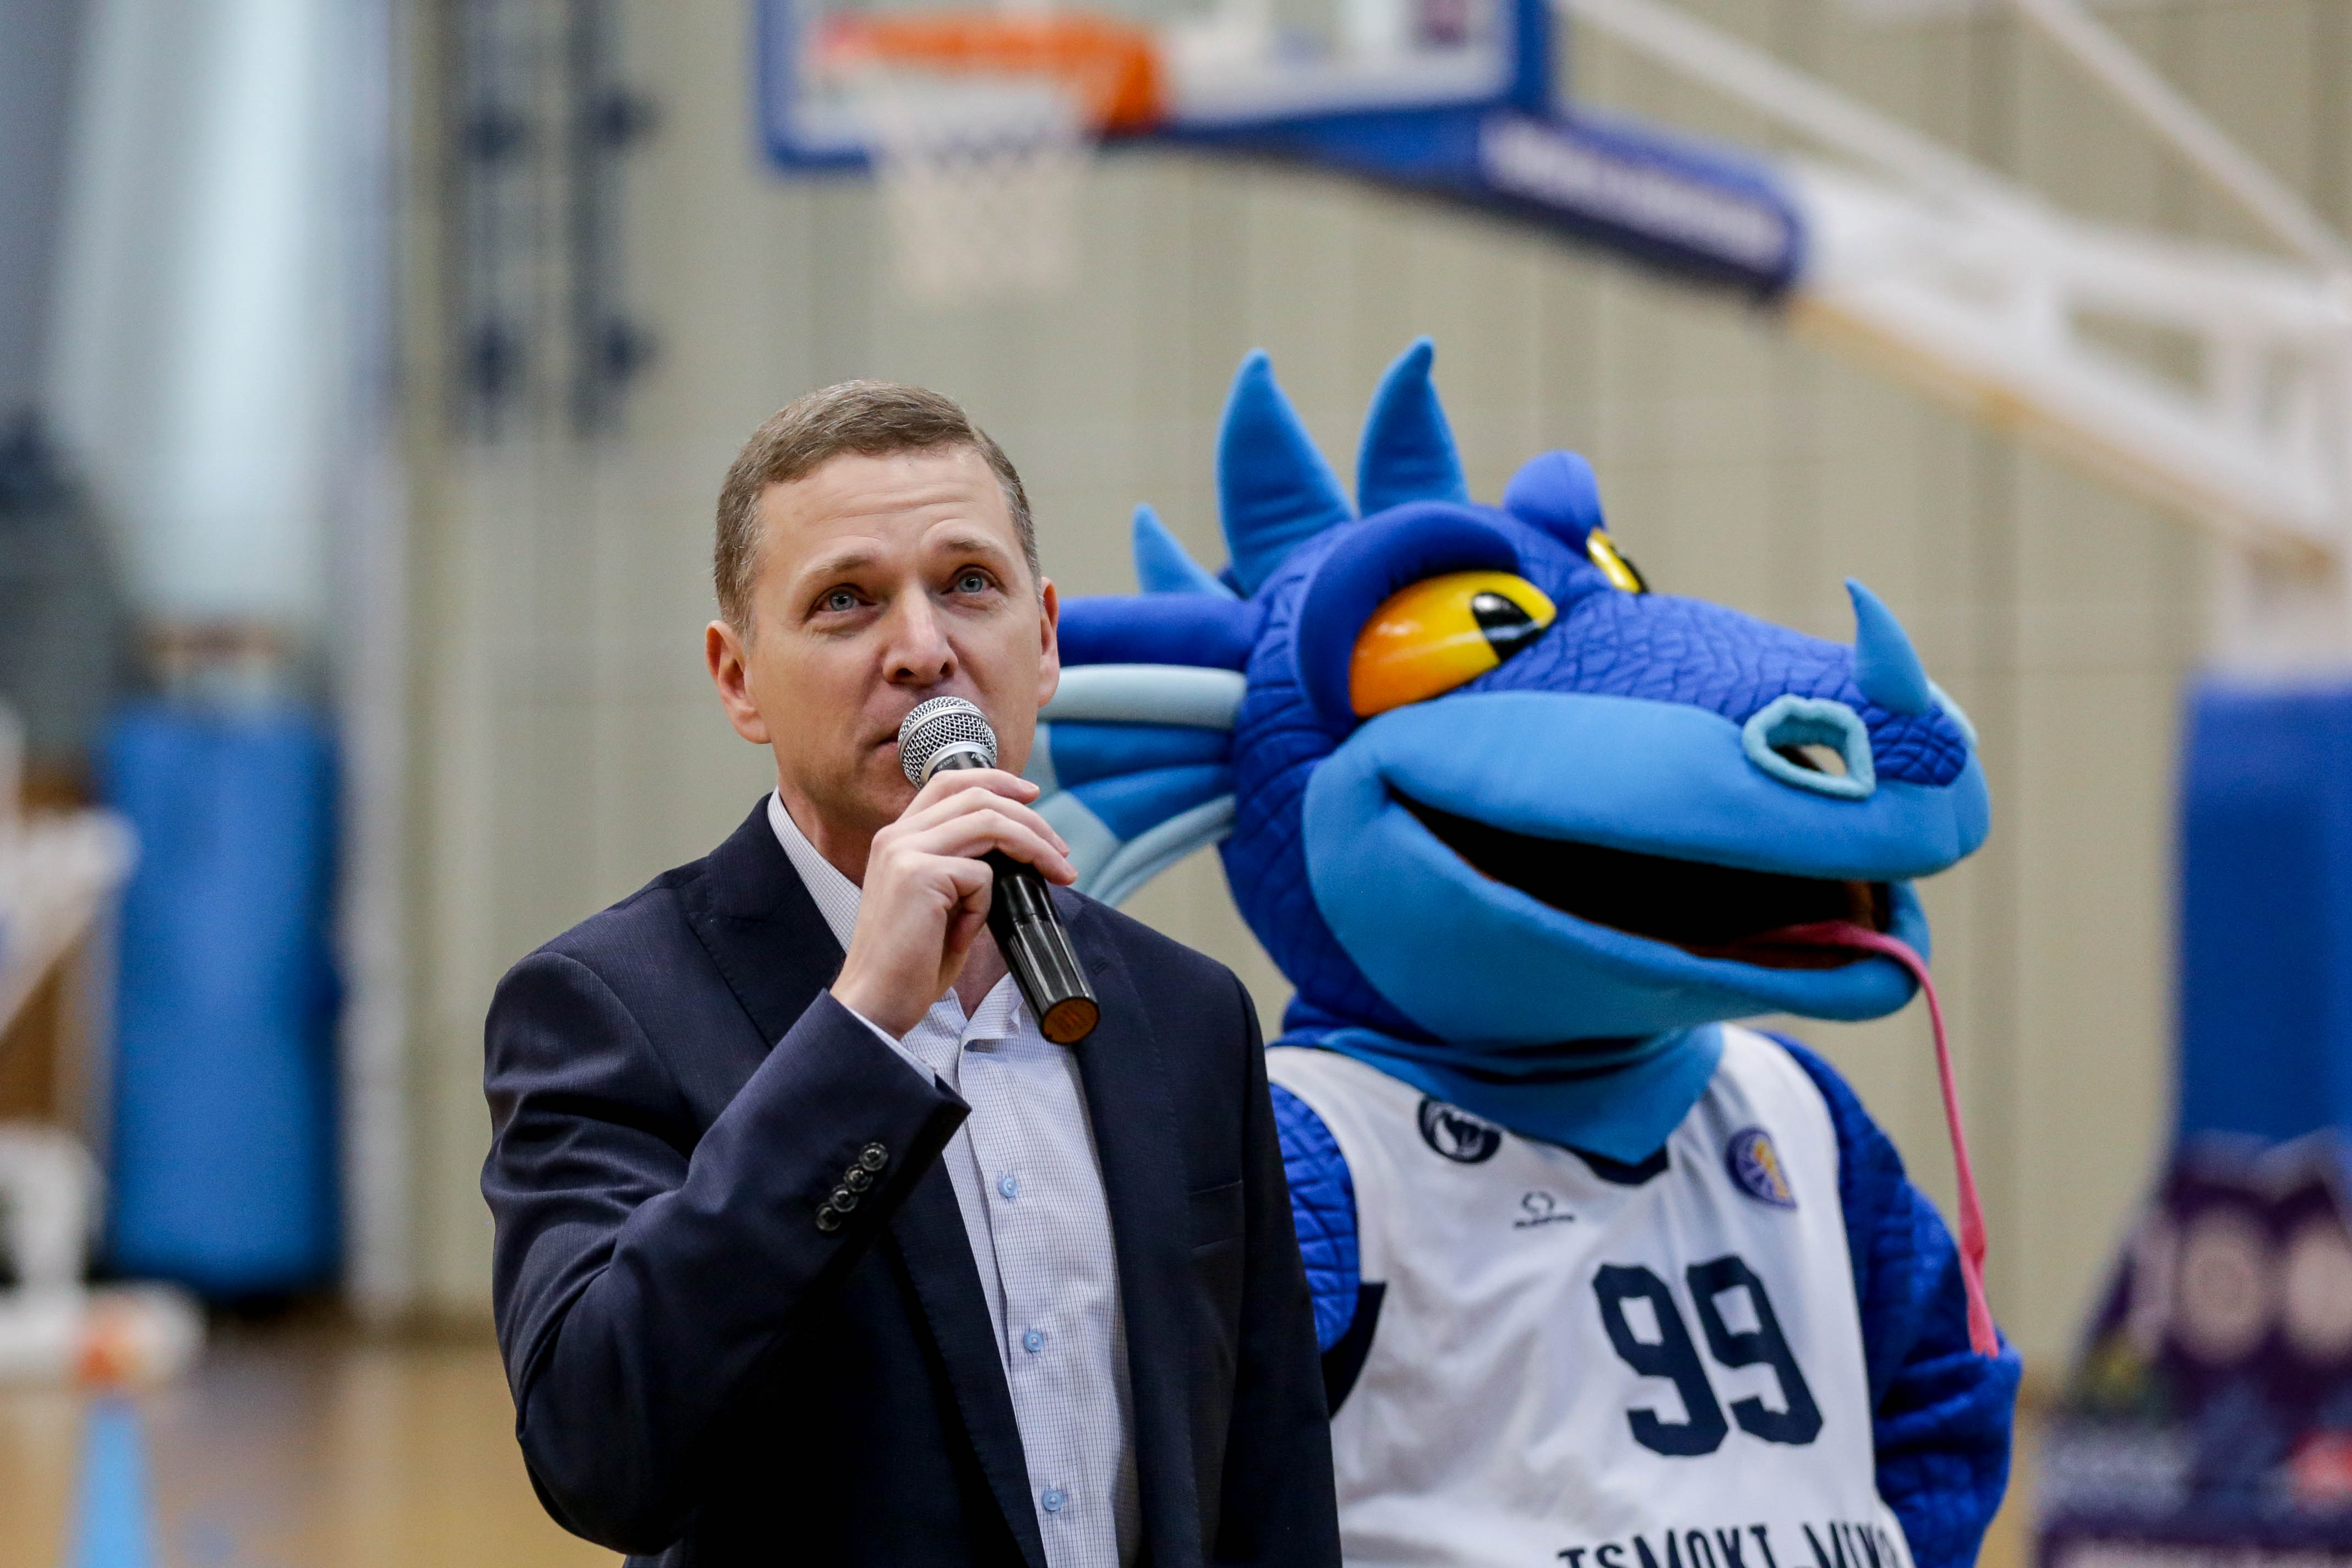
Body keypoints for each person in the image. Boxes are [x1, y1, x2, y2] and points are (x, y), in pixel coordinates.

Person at [481, 381, 1341, 1568]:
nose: (925, 650)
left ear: (1045, 638)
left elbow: (1268, 1469)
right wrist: (862, 1033)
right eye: (846, 601)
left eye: (969, 584)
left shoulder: (1188, 1013)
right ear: (738, 678)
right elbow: (600, 1453)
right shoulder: (608, 1005)